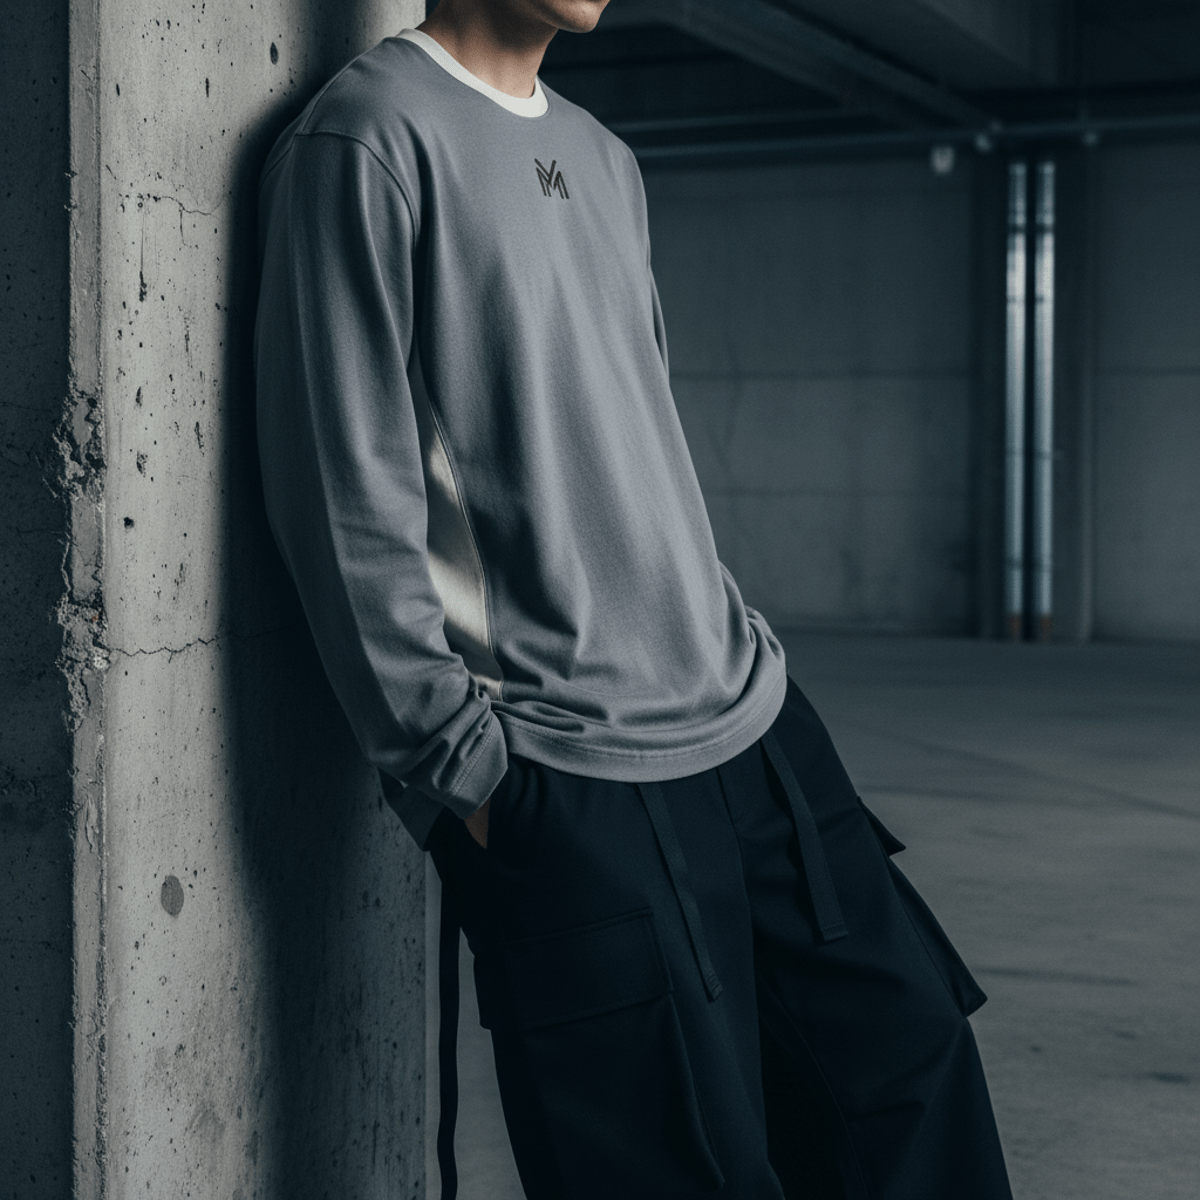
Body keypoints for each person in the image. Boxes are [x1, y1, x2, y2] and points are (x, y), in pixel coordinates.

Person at [253, 1, 1014, 1196]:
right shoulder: (370, 137)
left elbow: (637, 428)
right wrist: (461, 771)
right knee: (680, 1170)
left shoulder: (608, 160)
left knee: (911, 1087)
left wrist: (736, 632)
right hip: (571, 772)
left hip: (752, 727)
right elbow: (341, 487)